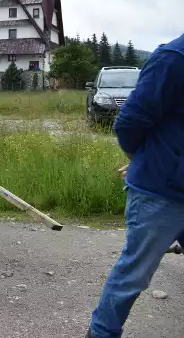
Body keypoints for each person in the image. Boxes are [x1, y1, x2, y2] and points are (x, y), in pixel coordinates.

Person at [86, 34, 184, 338]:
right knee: (134, 275)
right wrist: (146, 160)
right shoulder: (174, 58)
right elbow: (129, 123)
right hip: (162, 191)